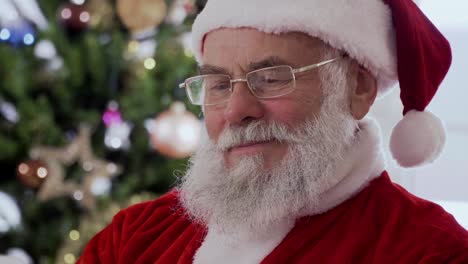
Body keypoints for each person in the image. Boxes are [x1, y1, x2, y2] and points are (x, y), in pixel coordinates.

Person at [79, 0, 468, 263]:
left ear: (358, 87)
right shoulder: (134, 238)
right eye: (217, 84)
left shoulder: (428, 252)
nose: (235, 110)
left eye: (270, 79)